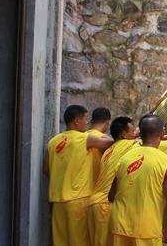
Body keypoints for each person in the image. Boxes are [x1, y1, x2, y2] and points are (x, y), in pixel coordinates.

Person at [43, 105, 114, 246]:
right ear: (76, 121)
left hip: (57, 202)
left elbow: (46, 170)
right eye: (85, 119)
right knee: (80, 241)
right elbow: (110, 142)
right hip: (78, 200)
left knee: (60, 242)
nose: (87, 123)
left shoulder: (53, 142)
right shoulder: (83, 138)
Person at [109, 114, 167, 245]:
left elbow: (111, 196)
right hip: (147, 230)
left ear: (140, 133)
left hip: (119, 226)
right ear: (162, 133)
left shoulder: (125, 158)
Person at [88, 116, 138, 246]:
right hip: (105, 204)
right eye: (132, 132)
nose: (134, 134)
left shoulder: (110, 149)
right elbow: (153, 140)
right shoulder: (127, 145)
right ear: (123, 134)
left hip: (95, 202)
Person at [87, 107, 111, 182]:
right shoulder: (104, 139)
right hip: (95, 186)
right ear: (107, 123)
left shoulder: (81, 137)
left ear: (91, 121)